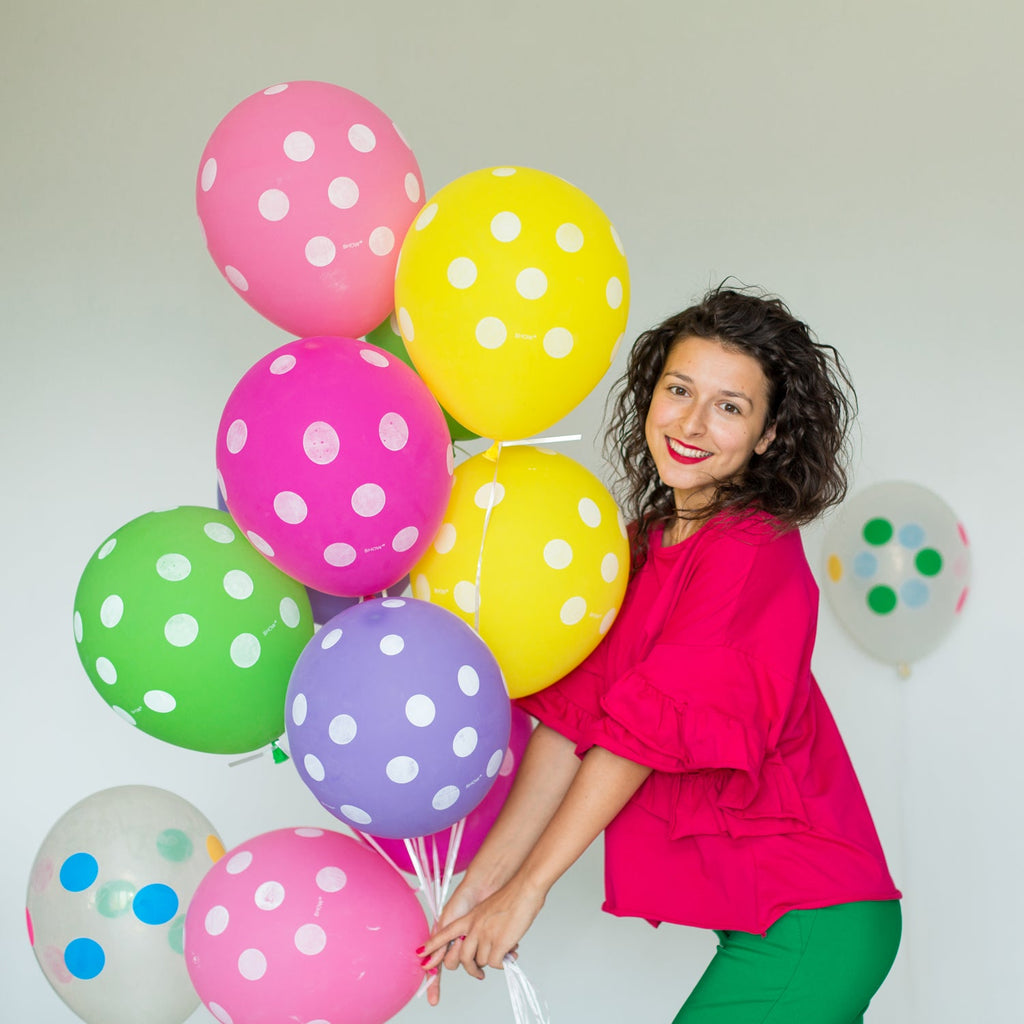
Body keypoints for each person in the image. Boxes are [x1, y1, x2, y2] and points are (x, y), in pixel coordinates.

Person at [419, 284, 902, 1022]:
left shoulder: (751, 549)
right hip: (775, 924)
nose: (692, 423)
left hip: (812, 921)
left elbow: (639, 737)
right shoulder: (639, 549)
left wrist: (529, 891)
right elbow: (570, 728)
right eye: (679, 390)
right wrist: (480, 890)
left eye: (730, 406)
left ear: (768, 434)